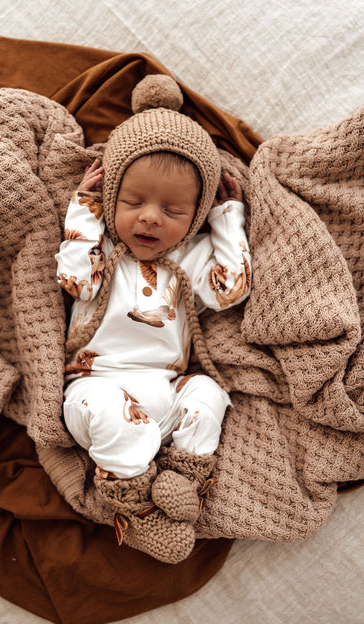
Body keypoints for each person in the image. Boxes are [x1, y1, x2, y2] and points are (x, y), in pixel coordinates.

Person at [55, 74, 251, 564]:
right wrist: (84, 210)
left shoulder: (191, 259)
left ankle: (185, 477)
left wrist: (228, 219)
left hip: (166, 392)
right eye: (133, 202)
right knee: (109, 411)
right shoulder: (104, 252)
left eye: (173, 210)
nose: (150, 219)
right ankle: (140, 507)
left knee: (210, 394)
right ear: (111, 196)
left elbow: (230, 289)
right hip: (95, 387)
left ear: (196, 214)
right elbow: (75, 280)